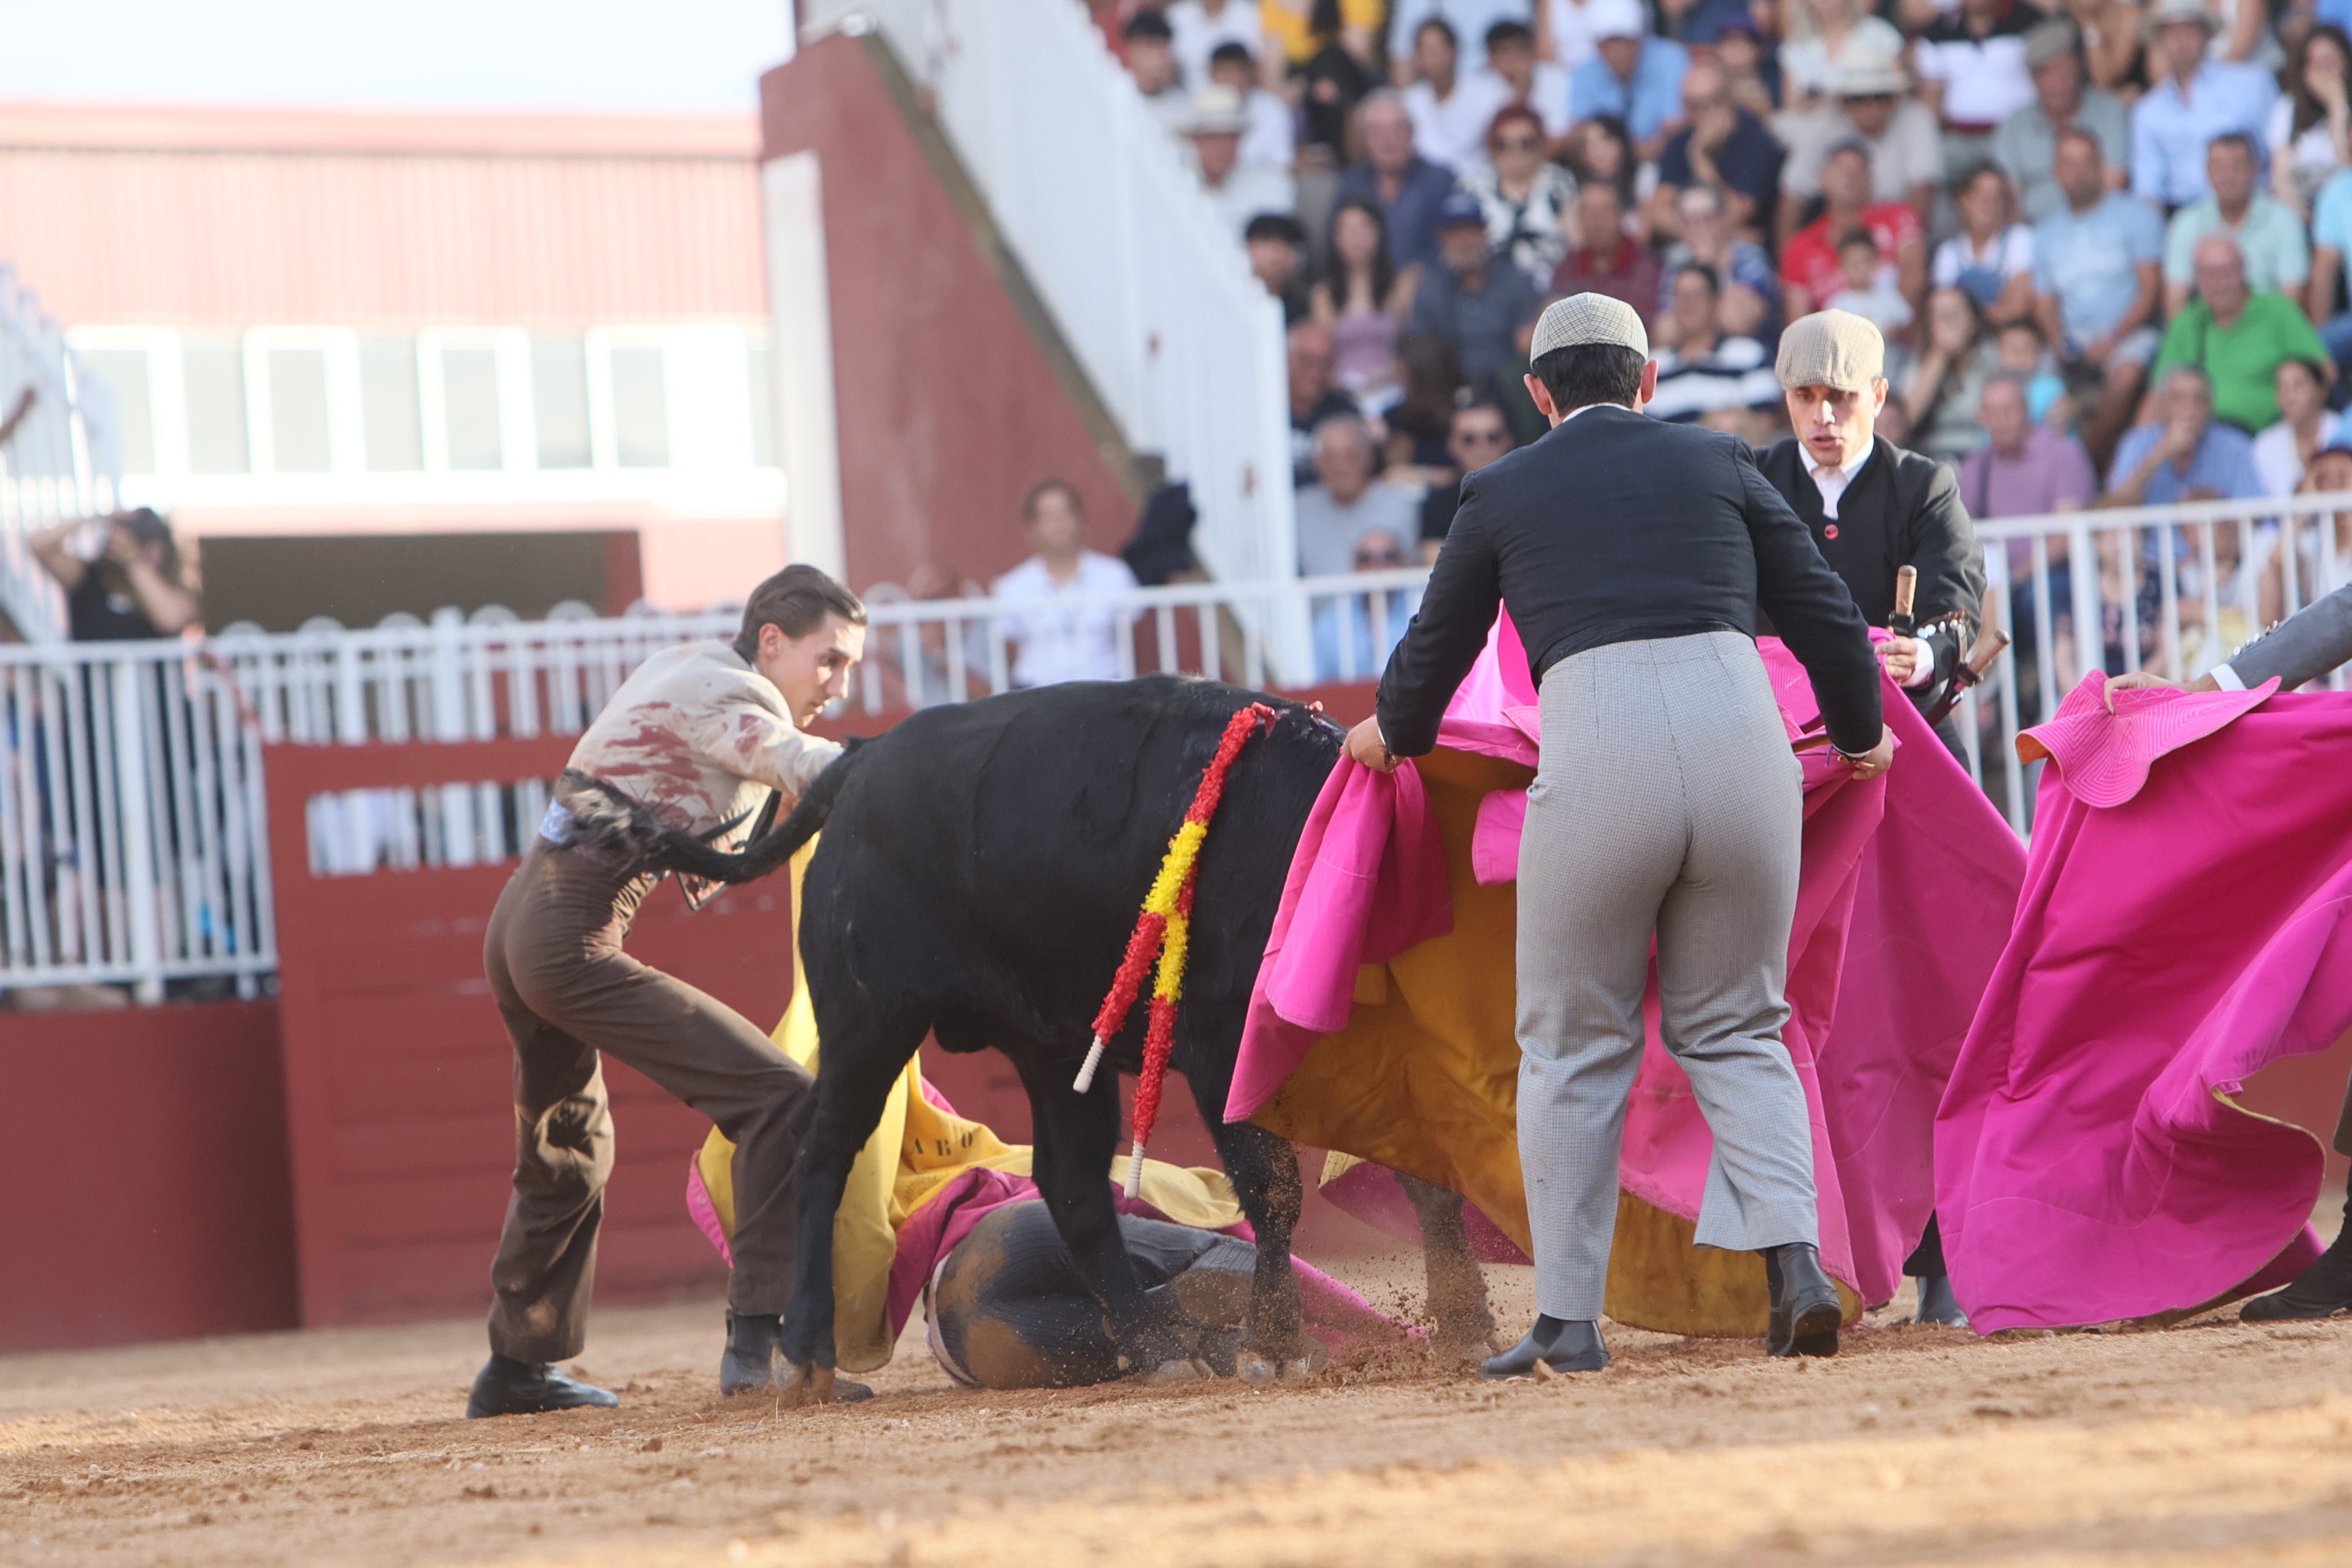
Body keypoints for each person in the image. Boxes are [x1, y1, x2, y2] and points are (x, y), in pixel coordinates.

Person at [1346, 293, 1890, 1377]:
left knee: (1572, 1042)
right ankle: (1794, 1275)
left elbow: (1436, 649)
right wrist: (1866, 733)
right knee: (1740, 1026)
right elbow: (1827, 613)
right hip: (1747, 749)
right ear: (1648, 384)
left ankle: (1568, 1322)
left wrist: (1393, 734)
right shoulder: (1723, 460)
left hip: (1600, 750)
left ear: (1540, 395)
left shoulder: (1500, 489)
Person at [468, 565, 867, 1417]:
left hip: (523, 917)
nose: (840, 683)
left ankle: (517, 1369)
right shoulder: (729, 694)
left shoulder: (689, 664)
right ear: (771, 641)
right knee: (780, 1098)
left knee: (568, 1142)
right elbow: (796, 762)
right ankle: (759, 1349)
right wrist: (910, 767)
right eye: (829, 660)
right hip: (566, 928)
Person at [1758, 308, 1990, 772]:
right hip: (1779, 731)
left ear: (1879, 395)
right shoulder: (1755, 480)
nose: (1823, 415)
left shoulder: (1924, 485)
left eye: (1841, 396)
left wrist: (1921, 655)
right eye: (1805, 395)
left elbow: (1954, 599)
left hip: (1901, 714)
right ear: (1787, 399)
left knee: (1965, 836)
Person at [2032, 128, 2164, 469]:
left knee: (2125, 378)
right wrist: (2059, 341)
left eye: (2086, 162)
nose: (2077, 172)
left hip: (2127, 333)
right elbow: (2045, 300)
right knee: (2034, 387)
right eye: (2068, 163)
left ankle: (2086, 468)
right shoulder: (2045, 232)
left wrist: (2114, 338)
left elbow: (2150, 288)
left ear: (2101, 166)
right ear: (2055, 171)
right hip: (2071, 338)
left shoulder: (2137, 216)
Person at [2153, 233, 2332, 435]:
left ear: (2243, 268)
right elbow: (2157, 394)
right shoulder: (2186, 322)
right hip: (2202, 439)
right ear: (2196, 278)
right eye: (2209, 274)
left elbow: (2324, 371)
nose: (2219, 283)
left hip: (2271, 436)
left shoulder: (2279, 311)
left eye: (2227, 272)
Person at [1777, 52, 1948, 241]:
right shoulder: (1826, 122)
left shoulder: (1917, 118)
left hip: (1900, 233)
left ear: (1895, 97)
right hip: (1838, 238)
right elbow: (1793, 196)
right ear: (1843, 101)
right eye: (1859, 99)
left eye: (1881, 97)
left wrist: (1894, 243)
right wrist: (1789, 261)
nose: (1871, 108)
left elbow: (1923, 193)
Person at [2130, 0, 2279, 210]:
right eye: (2172, 33)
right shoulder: (2147, 111)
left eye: (2189, 30)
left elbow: (2277, 157)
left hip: (2252, 208)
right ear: (2160, 41)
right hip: (2181, 218)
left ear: (2206, 34)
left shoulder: (2252, 83)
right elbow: (2148, 189)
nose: (2181, 42)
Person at [992, 481, 1142, 688]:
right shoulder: (1012, 586)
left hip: (1106, 692)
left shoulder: (1115, 575)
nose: (1058, 523)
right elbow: (1007, 645)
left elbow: (1133, 630)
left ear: (1080, 519)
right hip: (1036, 697)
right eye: (1047, 516)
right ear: (1031, 527)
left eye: (1066, 513)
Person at [1993, 19, 2131, 224]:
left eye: (2065, 70)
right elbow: (2007, 197)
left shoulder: (2110, 111)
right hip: (2033, 234)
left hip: (2099, 227)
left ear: (2079, 68)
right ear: (2033, 80)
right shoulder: (2015, 125)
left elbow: (2114, 184)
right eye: (2047, 74)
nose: (2059, 82)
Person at [2162, 134, 2311, 317]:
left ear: (2255, 169)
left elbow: (2292, 299)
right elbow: (2176, 299)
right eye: (2219, 166)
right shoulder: (2187, 222)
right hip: (2206, 330)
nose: (2227, 175)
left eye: (2237, 165)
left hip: (2268, 329)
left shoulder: (2284, 220)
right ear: (2207, 171)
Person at [1782, 139, 1930, 320]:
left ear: (1871, 179)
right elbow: (1799, 321)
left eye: (1859, 169)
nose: (1850, 175)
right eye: (1841, 167)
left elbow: (1914, 275)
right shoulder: (1800, 246)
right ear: (1822, 178)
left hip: (1894, 335)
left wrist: (1882, 326)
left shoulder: (1899, 217)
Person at [1649, 59, 1785, 243]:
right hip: (1698, 245)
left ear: (1729, 99)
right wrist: (1702, 235)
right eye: (1693, 106)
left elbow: (1735, 214)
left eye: (1712, 102)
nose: (1704, 113)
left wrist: (1701, 157)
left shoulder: (1757, 141)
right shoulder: (1681, 140)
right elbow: (1657, 213)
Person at [1413, 190, 1542, 383]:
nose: (1464, 242)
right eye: (1455, 233)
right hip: (1449, 385)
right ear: (1442, 238)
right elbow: (1423, 347)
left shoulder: (1514, 279)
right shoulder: (1430, 287)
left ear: (1484, 233)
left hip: (1508, 385)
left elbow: (1526, 343)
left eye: (1471, 231)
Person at [1914, 0, 2050, 181]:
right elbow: (1931, 95)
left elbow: (2048, 74)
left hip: (2016, 133)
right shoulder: (1938, 29)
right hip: (1958, 138)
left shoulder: (2028, 19)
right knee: (1932, 174)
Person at [2099, 362, 2266, 505]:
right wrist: (2159, 454)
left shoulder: (2236, 446)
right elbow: (2115, 508)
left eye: (2199, 398)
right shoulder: (2137, 443)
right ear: (2163, 406)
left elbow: (2256, 514)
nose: (2190, 408)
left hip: (2214, 543)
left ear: (2211, 407)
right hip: (2151, 544)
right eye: (2178, 398)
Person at [1333, 90, 1461, 271]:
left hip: (1429, 288)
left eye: (1397, 129)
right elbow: (1334, 248)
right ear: (1365, 139)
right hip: (1368, 288)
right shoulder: (1352, 184)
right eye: (1377, 131)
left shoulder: (1441, 181)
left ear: (1412, 133)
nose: (1388, 139)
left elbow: (1455, 245)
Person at [29, 508, 201, 641]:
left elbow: (171, 621)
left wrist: (134, 562)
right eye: (139, 540)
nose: (146, 549)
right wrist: (98, 517)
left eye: (153, 542)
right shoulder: (90, 578)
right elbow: (39, 544)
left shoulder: (179, 591)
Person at [1464, 104, 1577, 293]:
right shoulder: (1475, 187)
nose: (1515, 151)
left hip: (1551, 289)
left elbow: (1576, 244)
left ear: (1541, 145)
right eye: (1503, 144)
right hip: (1491, 293)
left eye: (1526, 143)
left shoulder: (1559, 182)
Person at [1313, 198, 1418, 397]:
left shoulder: (1401, 284)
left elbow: (1411, 345)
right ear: (1335, 238)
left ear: (1379, 233)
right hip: (1342, 391)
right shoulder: (1323, 293)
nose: (1356, 238)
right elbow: (1323, 354)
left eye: (1364, 228)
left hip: (1392, 388)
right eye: (1348, 230)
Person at [1647, 263, 1778, 421]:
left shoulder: (1750, 355)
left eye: (1695, 295)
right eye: (1680, 295)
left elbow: (1763, 425)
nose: (1687, 303)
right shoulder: (1653, 366)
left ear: (1716, 301)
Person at [1957, 369, 2100, 515]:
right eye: (1991, 412)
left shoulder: (2065, 454)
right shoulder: (1976, 466)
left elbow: (2066, 529)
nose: (2000, 420)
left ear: (2025, 408)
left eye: (2008, 410)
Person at [1295, 411, 1420, 575]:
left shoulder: (1400, 504)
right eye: (1330, 457)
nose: (1340, 467)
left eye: (1350, 455)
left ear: (1367, 458)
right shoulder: (1298, 509)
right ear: (1316, 463)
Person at [1568, 0, 1692, 161]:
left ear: (1641, 39)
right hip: (1606, 165)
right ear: (1598, 47)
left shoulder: (1671, 58)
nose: (1619, 52)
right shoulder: (1584, 72)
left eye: (1626, 42)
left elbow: (1676, 125)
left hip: (1664, 159)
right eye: (1609, 44)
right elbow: (1579, 132)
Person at [1657, 182, 1783, 337]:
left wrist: (1712, 268)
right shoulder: (1676, 262)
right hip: (1695, 355)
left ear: (1723, 219)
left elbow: (1737, 324)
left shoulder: (1750, 258)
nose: (1699, 229)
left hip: (1749, 353)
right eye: (1690, 222)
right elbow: (1665, 333)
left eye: (1707, 219)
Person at [1898, 286, 2004, 462]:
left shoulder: (1993, 355)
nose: (1951, 322)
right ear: (1930, 325)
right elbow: (1906, 418)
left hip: (1986, 454)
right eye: (1943, 316)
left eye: (1957, 312)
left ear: (1973, 318)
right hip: (1934, 456)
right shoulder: (1921, 362)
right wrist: (1941, 355)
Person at [1402, 17, 1513, 173]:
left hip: (1479, 185)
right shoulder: (1410, 101)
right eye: (1423, 51)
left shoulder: (1489, 91)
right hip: (1426, 188)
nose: (1430, 59)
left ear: (1454, 51)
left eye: (1435, 51)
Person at [1185, 86, 1298, 239]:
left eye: (1229, 138)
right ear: (1196, 142)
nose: (1220, 148)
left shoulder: (1271, 184)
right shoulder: (1176, 185)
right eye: (1211, 138)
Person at [1934, 162, 2037, 324]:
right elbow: (1943, 314)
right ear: (1963, 200)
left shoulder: (2019, 238)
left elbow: (2020, 305)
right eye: (1980, 194)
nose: (1988, 202)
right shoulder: (1948, 252)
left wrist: (1970, 316)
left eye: (1996, 196)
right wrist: (2001, 300)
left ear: (2005, 204)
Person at [1418, 398, 1517, 560]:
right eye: (1469, 440)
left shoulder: (1529, 495)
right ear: (1452, 444)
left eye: (1493, 437)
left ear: (1508, 440)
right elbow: (1435, 564)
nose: (1482, 449)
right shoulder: (1436, 504)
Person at [1549, 178, 1660, 316]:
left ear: (1620, 215)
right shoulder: (1567, 268)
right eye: (1588, 212)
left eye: (1604, 211)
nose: (1596, 222)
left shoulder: (1645, 264)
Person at [2271, 25, 2352, 214]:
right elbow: (2282, 176)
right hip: (2300, 212)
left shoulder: (2341, 109)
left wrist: (2337, 106)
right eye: (2314, 62)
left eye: (2329, 60)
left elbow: (2347, 168)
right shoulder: (2288, 108)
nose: (2322, 70)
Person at [1780, 0, 1908, 111]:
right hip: (1818, 131)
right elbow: (1792, 109)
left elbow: (1900, 92)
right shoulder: (1795, 47)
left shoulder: (1880, 34)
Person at [2252, 356, 2340, 497]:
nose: (2289, 398)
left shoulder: (2343, 433)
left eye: (2298, 385)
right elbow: (2266, 514)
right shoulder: (2264, 445)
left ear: (2322, 390)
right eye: (2282, 387)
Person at [1287, 320, 1358, 487]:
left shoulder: (1343, 411)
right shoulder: (1263, 408)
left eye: (1325, 363)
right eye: (1307, 361)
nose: (1316, 373)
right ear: (1285, 360)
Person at [1482, 19, 1574, 142]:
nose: (1513, 60)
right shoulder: (1480, 88)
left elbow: (1562, 135)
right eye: (1504, 52)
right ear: (1491, 60)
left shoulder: (1559, 79)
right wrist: (1519, 98)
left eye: (1519, 51)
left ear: (1533, 52)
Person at [1210, 41, 1297, 169]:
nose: (1232, 79)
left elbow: (1282, 163)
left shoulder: (1274, 108)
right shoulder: (1197, 110)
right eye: (1225, 72)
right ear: (1211, 74)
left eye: (1238, 71)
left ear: (1250, 72)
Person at [1167, 0, 1266, 90]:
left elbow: (1260, 67)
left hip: (1245, 101)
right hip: (1188, 101)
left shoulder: (1251, 15)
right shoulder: (1176, 16)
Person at [1124, 11, 1195, 134]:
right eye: (1151, 45)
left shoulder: (1184, 109)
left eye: (1164, 46)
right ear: (1131, 50)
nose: (1161, 55)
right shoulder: (1115, 98)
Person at [1248, 211, 1313, 324]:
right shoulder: (1236, 300)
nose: (1276, 256)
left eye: (1285, 245)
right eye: (1267, 241)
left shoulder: (1305, 309)